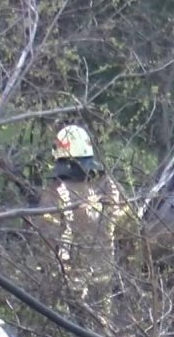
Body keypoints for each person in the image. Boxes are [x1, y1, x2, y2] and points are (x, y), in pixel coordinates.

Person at [37, 124, 122, 321]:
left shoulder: (55, 191)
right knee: (102, 325)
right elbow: (125, 225)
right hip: (104, 274)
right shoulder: (108, 185)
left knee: (65, 324)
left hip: (68, 281)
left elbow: (46, 240)